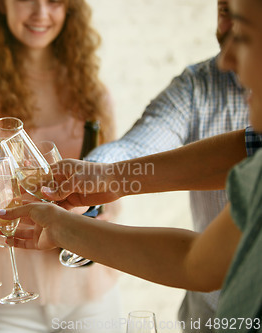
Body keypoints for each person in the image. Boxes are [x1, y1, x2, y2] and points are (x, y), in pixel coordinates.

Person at [0, 0, 262, 331]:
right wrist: (102, 177)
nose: (226, 59)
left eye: (248, 36)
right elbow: (240, 151)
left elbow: (198, 266)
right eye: (225, 14)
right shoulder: (207, 95)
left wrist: (66, 223)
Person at [0, 0, 118, 331]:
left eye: (54, 1)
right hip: (6, 284)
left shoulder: (94, 93)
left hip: (87, 288)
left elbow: (113, 189)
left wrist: (99, 210)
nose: (41, 13)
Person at [85, 0, 248, 330]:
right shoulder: (197, 86)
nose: (227, 56)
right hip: (210, 315)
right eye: (223, 12)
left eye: (246, 24)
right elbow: (137, 148)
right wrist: (91, 178)